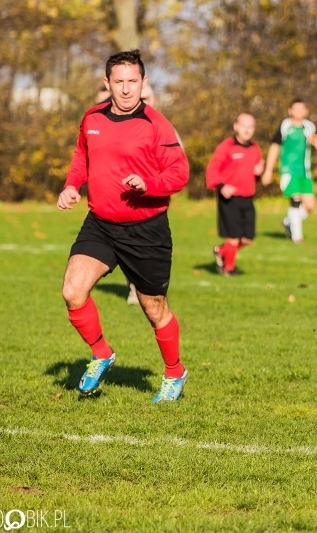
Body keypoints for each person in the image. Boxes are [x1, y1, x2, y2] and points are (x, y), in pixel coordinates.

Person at [58, 49, 190, 403]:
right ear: (107, 83)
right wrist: (72, 185)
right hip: (100, 224)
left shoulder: (156, 125)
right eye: (120, 82)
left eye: (133, 81)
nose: (127, 89)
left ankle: (175, 374)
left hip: (146, 230)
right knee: (73, 290)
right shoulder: (92, 117)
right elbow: (82, 155)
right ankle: (101, 353)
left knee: (154, 309)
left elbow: (179, 173)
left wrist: (149, 184)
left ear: (144, 83)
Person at [96, 83, 159, 305]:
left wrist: (153, 183)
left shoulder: (160, 125)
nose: (145, 101)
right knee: (125, 248)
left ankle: (147, 289)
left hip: (151, 205)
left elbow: (176, 166)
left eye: (148, 97)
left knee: (145, 254)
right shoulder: (115, 122)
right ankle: (134, 287)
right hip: (122, 200)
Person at [261, 98, 317, 243]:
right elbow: (275, 147)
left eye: (301, 109)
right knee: (296, 199)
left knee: (310, 206)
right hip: (289, 170)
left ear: (306, 111)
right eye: (295, 109)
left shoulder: (309, 126)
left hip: (305, 171)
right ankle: (297, 237)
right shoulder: (285, 126)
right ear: (289, 111)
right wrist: (268, 170)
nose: (298, 112)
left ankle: (289, 222)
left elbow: (316, 139)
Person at [206, 112, 264, 276]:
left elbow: (255, 172)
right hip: (229, 198)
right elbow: (213, 168)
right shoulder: (227, 146)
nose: (247, 130)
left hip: (248, 197)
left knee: (247, 239)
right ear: (236, 126)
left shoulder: (255, 148)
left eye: (250, 126)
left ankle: (221, 251)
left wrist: (259, 172)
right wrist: (221, 185)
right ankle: (228, 269)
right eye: (243, 125)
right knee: (233, 237)